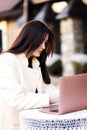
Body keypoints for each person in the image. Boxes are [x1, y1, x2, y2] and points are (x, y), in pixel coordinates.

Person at [0, 20, 59, 130]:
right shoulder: (6, 60)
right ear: (29, 39)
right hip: (13, 125)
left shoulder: (35, 62)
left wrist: (66, 95)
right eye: (41, 42)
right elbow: (16, 99)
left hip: (32, 124)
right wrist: (51, 98)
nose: (44, 47)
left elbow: (45, 88)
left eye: (45, 43)